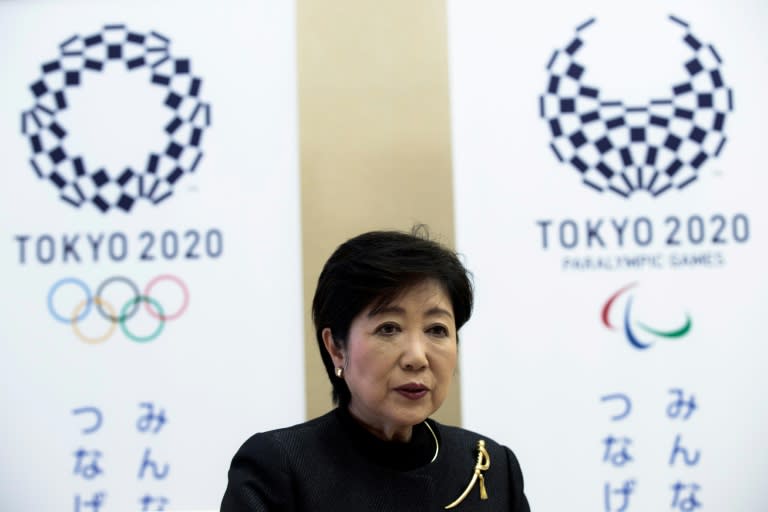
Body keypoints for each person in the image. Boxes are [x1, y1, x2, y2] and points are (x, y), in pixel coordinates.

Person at [221, 228, 530, 511]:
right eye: (389, 328)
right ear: (336, 348)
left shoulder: (488, 466)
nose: (417, 357)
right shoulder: (280, 468)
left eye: (436, 330)